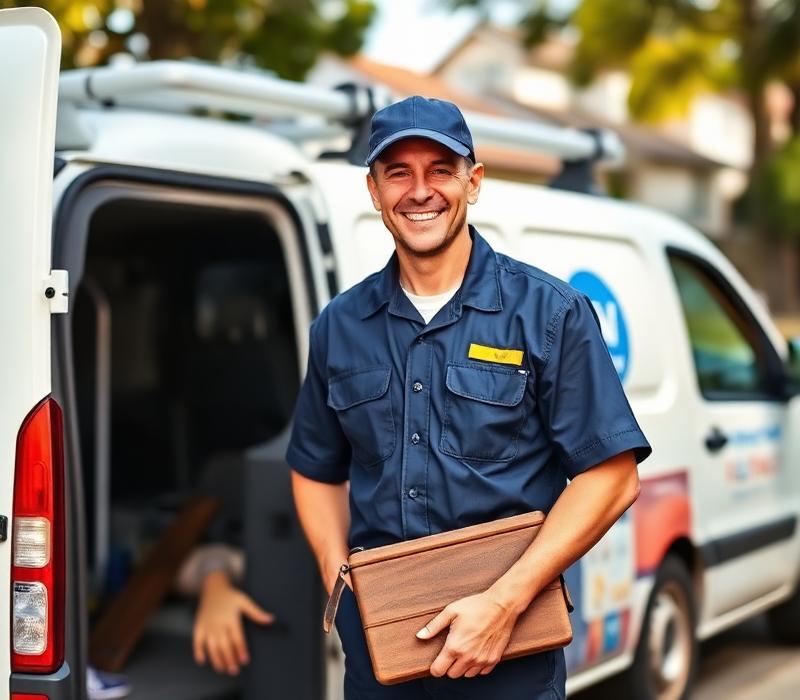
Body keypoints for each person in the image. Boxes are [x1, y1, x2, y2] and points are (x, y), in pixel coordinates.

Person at [286, 95, 652, 699]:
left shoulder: (549, 314)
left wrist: (505, 604)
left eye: (440, 170)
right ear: (374, 191)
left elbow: (610, 477)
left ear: (473, 182)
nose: (419, 190)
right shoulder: (339, 326)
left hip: (508, 657)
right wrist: (339, 576)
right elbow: (314, 468)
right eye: (397, 172)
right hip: (382, 658)